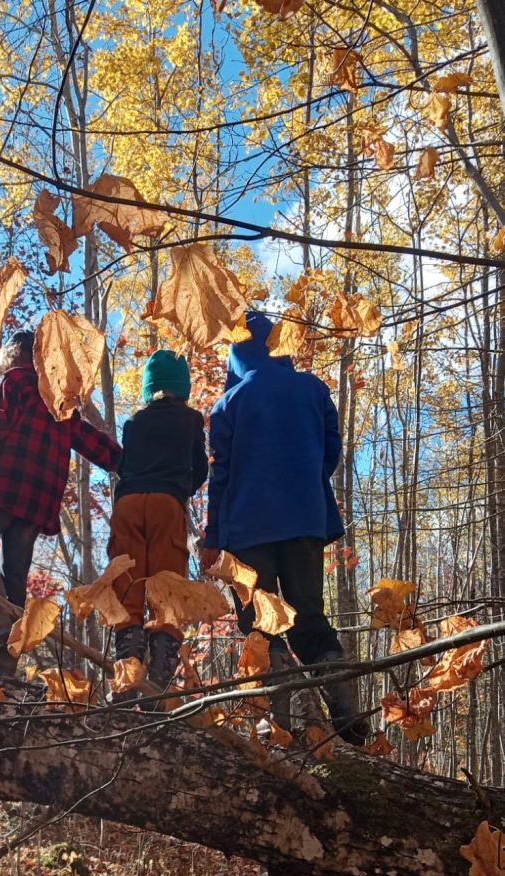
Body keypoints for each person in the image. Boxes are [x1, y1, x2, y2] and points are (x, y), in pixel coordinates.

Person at [199, 310, 367, 744]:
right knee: (309, 616)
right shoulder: (313, 389)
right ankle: (347, 712)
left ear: (237, 351)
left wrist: (212, 539)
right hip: (306, 521)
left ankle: (274, 727)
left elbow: (221, 478)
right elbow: (330, 453)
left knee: (260, 623)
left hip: (247, 530)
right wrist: (304, 482)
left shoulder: (229, 404)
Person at [0, 329, 121, 675]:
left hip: (5, 486)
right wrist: (124, 463)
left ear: (17, 355)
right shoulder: (59, 399)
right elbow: (87, 439)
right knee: (15, 578)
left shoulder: (17, 380)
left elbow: (0, 424)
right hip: (39, 501)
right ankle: (6, 661)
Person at [109, 350, 208, 694]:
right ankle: (160, 671)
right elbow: (201, 468)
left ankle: (127, 664)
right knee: (167, 583)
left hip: (128, 503)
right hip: (167, 503)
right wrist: (181, 489)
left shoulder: (134, 422)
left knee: (127, 581)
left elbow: (124, 466)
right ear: (183, 387)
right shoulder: (191, 419)